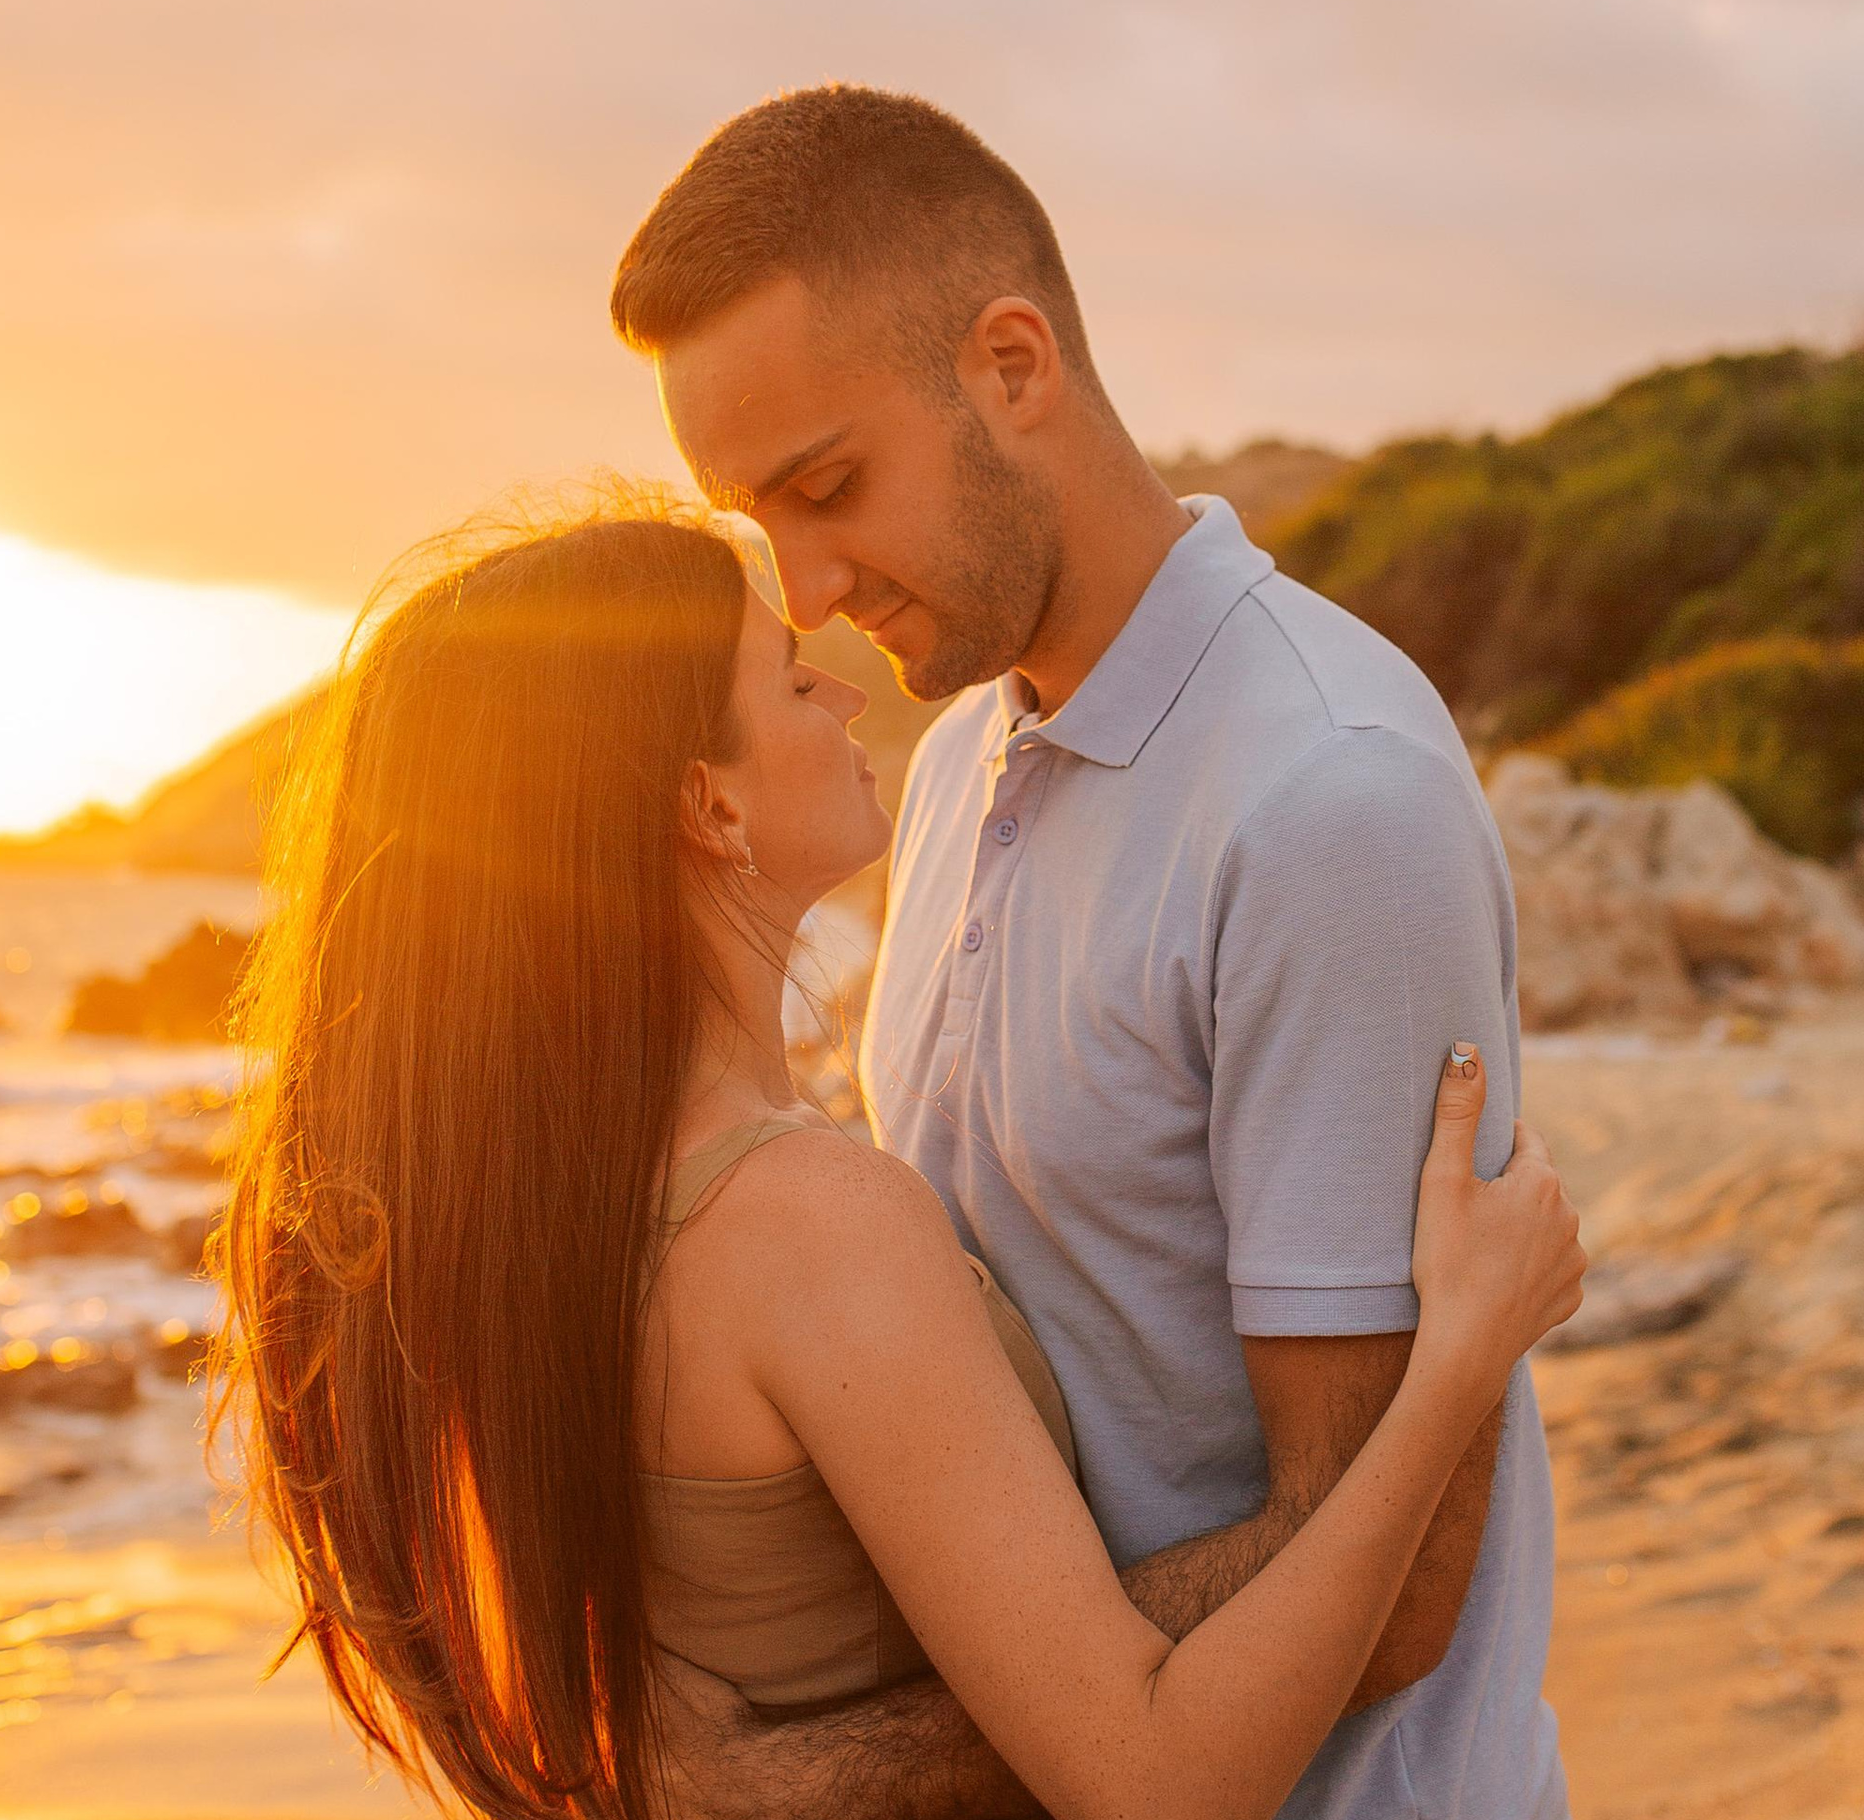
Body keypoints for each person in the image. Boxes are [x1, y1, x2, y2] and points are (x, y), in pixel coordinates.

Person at [217, 499, 1584, 1820]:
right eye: (791, 682)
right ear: (709, 807)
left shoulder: (556, 1202)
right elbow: (1160, 1781)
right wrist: (1461, 1360)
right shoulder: (803, 1220)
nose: (849, 697)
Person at [611, 87, 1573, 1819]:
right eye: (770, 523)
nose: (811, 590)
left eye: (832, 487)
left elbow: (1395, 1580)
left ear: (1011, 365)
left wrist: (802, 1782)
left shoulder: (1322, 804)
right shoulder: (963, 755)